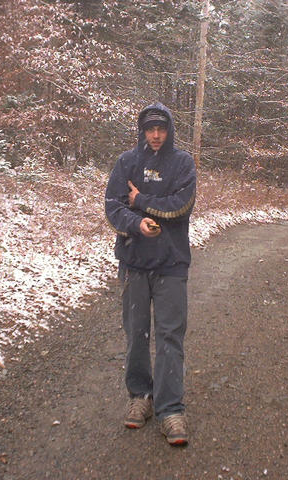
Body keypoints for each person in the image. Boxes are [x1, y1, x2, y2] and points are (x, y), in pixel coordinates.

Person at [104, 102, 197, 446]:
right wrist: (137, 223)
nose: (156, 136)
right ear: (142, 130)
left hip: (172, 264)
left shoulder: (183, 163)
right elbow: (113, 207)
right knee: (136, 333)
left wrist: (140, 199)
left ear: (170, 130)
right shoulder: (127, 162)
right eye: (150, 129)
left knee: (170, 336)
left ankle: (171, 409)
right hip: (133, 264)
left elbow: (181, 205)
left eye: (162, 129)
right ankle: (140, 396)